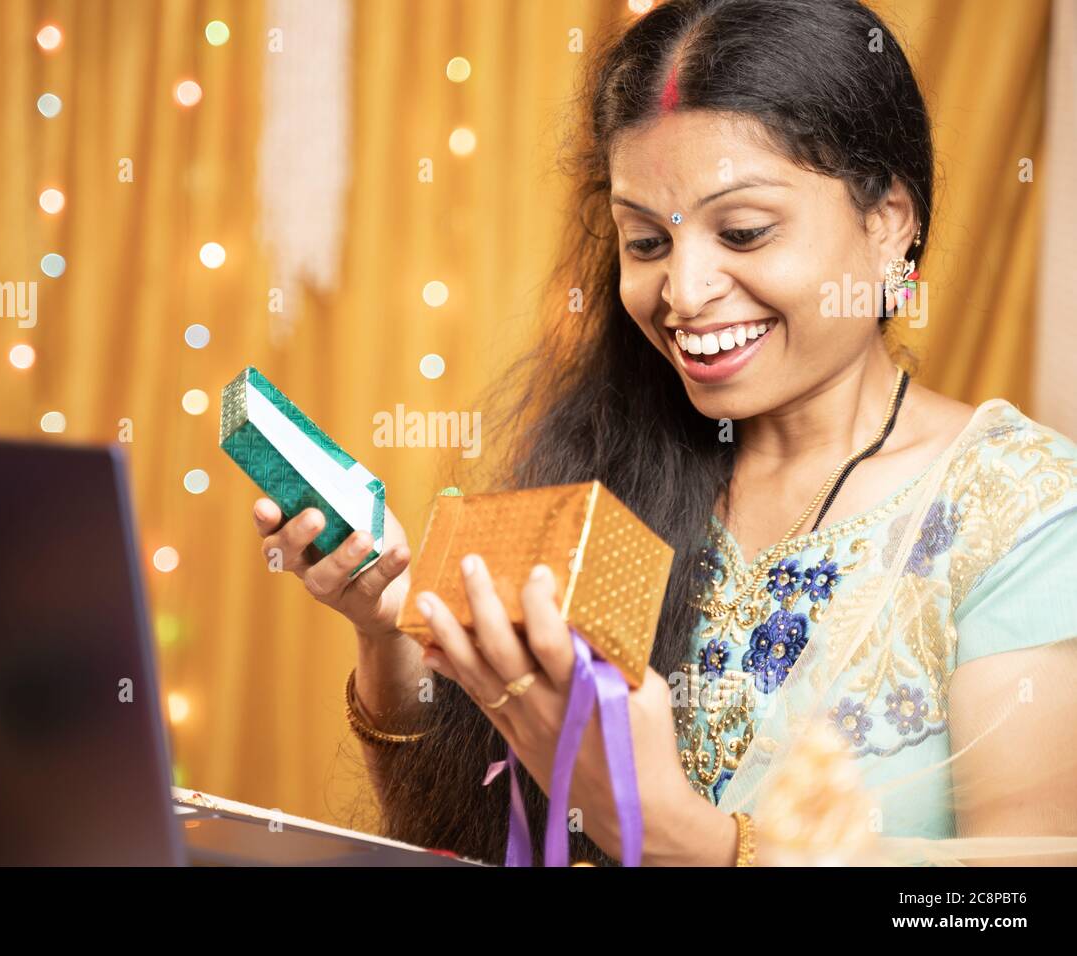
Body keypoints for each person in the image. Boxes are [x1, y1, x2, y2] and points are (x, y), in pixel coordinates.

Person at [251, 0, 1077, 866]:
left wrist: (689, 842)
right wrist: (389, 639)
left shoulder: (1022, 512)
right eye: (646, 242)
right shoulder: (612, 468)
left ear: (889, 224)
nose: (683, 291)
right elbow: (459, 839)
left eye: (744, 231)